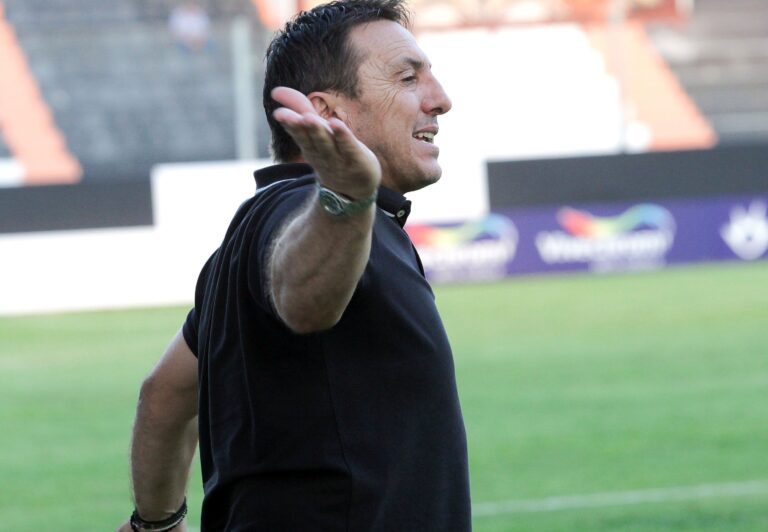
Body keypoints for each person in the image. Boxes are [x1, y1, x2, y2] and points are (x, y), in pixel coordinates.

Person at [118, 0, 470, 529]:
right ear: (327, 112)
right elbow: (305, 303)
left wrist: (155, 523)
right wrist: (346, 198)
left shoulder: (254, 233)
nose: (440, 99)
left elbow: (164, 394)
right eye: (407, 78)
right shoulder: (312, 213)